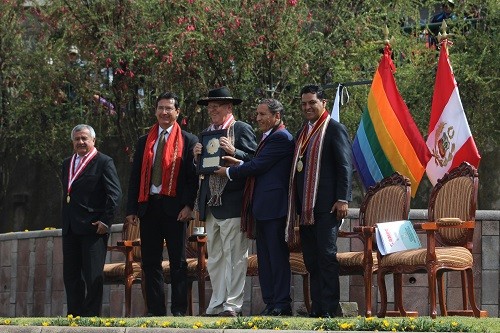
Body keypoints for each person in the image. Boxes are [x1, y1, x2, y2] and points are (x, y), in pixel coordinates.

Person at [214, 98, 294, 316]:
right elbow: (258, 164)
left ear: (277, 116)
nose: (257, 118)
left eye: (262, 114)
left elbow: (258, 166)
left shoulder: (281, 138)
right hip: (262, 208)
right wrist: (239, 162)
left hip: (274, 208)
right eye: (257, 114)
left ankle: (281, 303)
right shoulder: (267, 137)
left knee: (276, 257)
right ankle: (270, 303)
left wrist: (228, 172)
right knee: (265, 259)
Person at [126, 92, 198, 316]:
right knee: (150, 262)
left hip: (175, 209)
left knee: (178, 262)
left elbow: (192, 179)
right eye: (160, 108)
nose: (164, 112)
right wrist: (131, 210)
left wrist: (188, 206)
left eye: (169, 108)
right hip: (149, 208)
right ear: (155, 111)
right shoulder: (144, 141)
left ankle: (178, 310)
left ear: (177, 112)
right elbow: (135, 176)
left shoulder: (188, 140)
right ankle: (155, 310)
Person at [287, 84, 353, 318]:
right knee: (311, 259)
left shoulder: (334, 129)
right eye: (304, 103)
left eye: (312, 102)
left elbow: (345, 166)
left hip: (327, 206)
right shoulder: (301, 132)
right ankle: (317, 307)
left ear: (323, 103)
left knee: (326, 256)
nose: (307, 107)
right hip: (306, 209)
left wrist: (342, 199)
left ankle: (330, 307)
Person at [193, 86, 257, 317]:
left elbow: (255, 160)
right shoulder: (205, 134)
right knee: (216, 257)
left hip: (233, 201)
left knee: (235, 256)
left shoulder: (240, 129)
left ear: (229, 107)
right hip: (210, 203)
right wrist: (196, 157)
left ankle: (232, 305)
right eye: (210, 106)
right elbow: (201, 170)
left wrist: (236, 151)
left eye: (216, 106)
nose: (212, 110)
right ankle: (217, 303)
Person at [61, 124, 121, 316]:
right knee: (71, 276)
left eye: (84, 138)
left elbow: (115, 194)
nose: (81, 142)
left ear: (93, 140)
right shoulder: (67, 163)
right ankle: (74, 315)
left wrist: (105, 221)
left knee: (92, 275)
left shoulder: (104, 162)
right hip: (71, 228)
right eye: (77, 139)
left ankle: (91, 316)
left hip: (93, 228)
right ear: (73, 142)